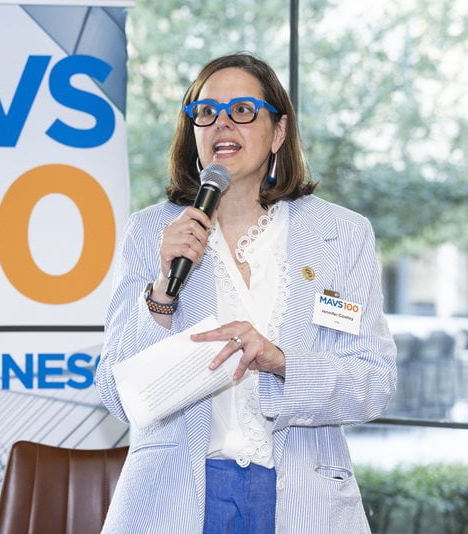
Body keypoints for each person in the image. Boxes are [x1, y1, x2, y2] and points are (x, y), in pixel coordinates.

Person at [95, 53, 397, 533]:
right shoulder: (150, 232)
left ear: (278, 131)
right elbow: (114, 392)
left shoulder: (342, 235)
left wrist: (282, 362)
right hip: (176, 499)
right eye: (206, 112)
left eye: (242, 110)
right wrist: (161, 295)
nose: (221, 123)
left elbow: (372, 384)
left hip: (303, 496)